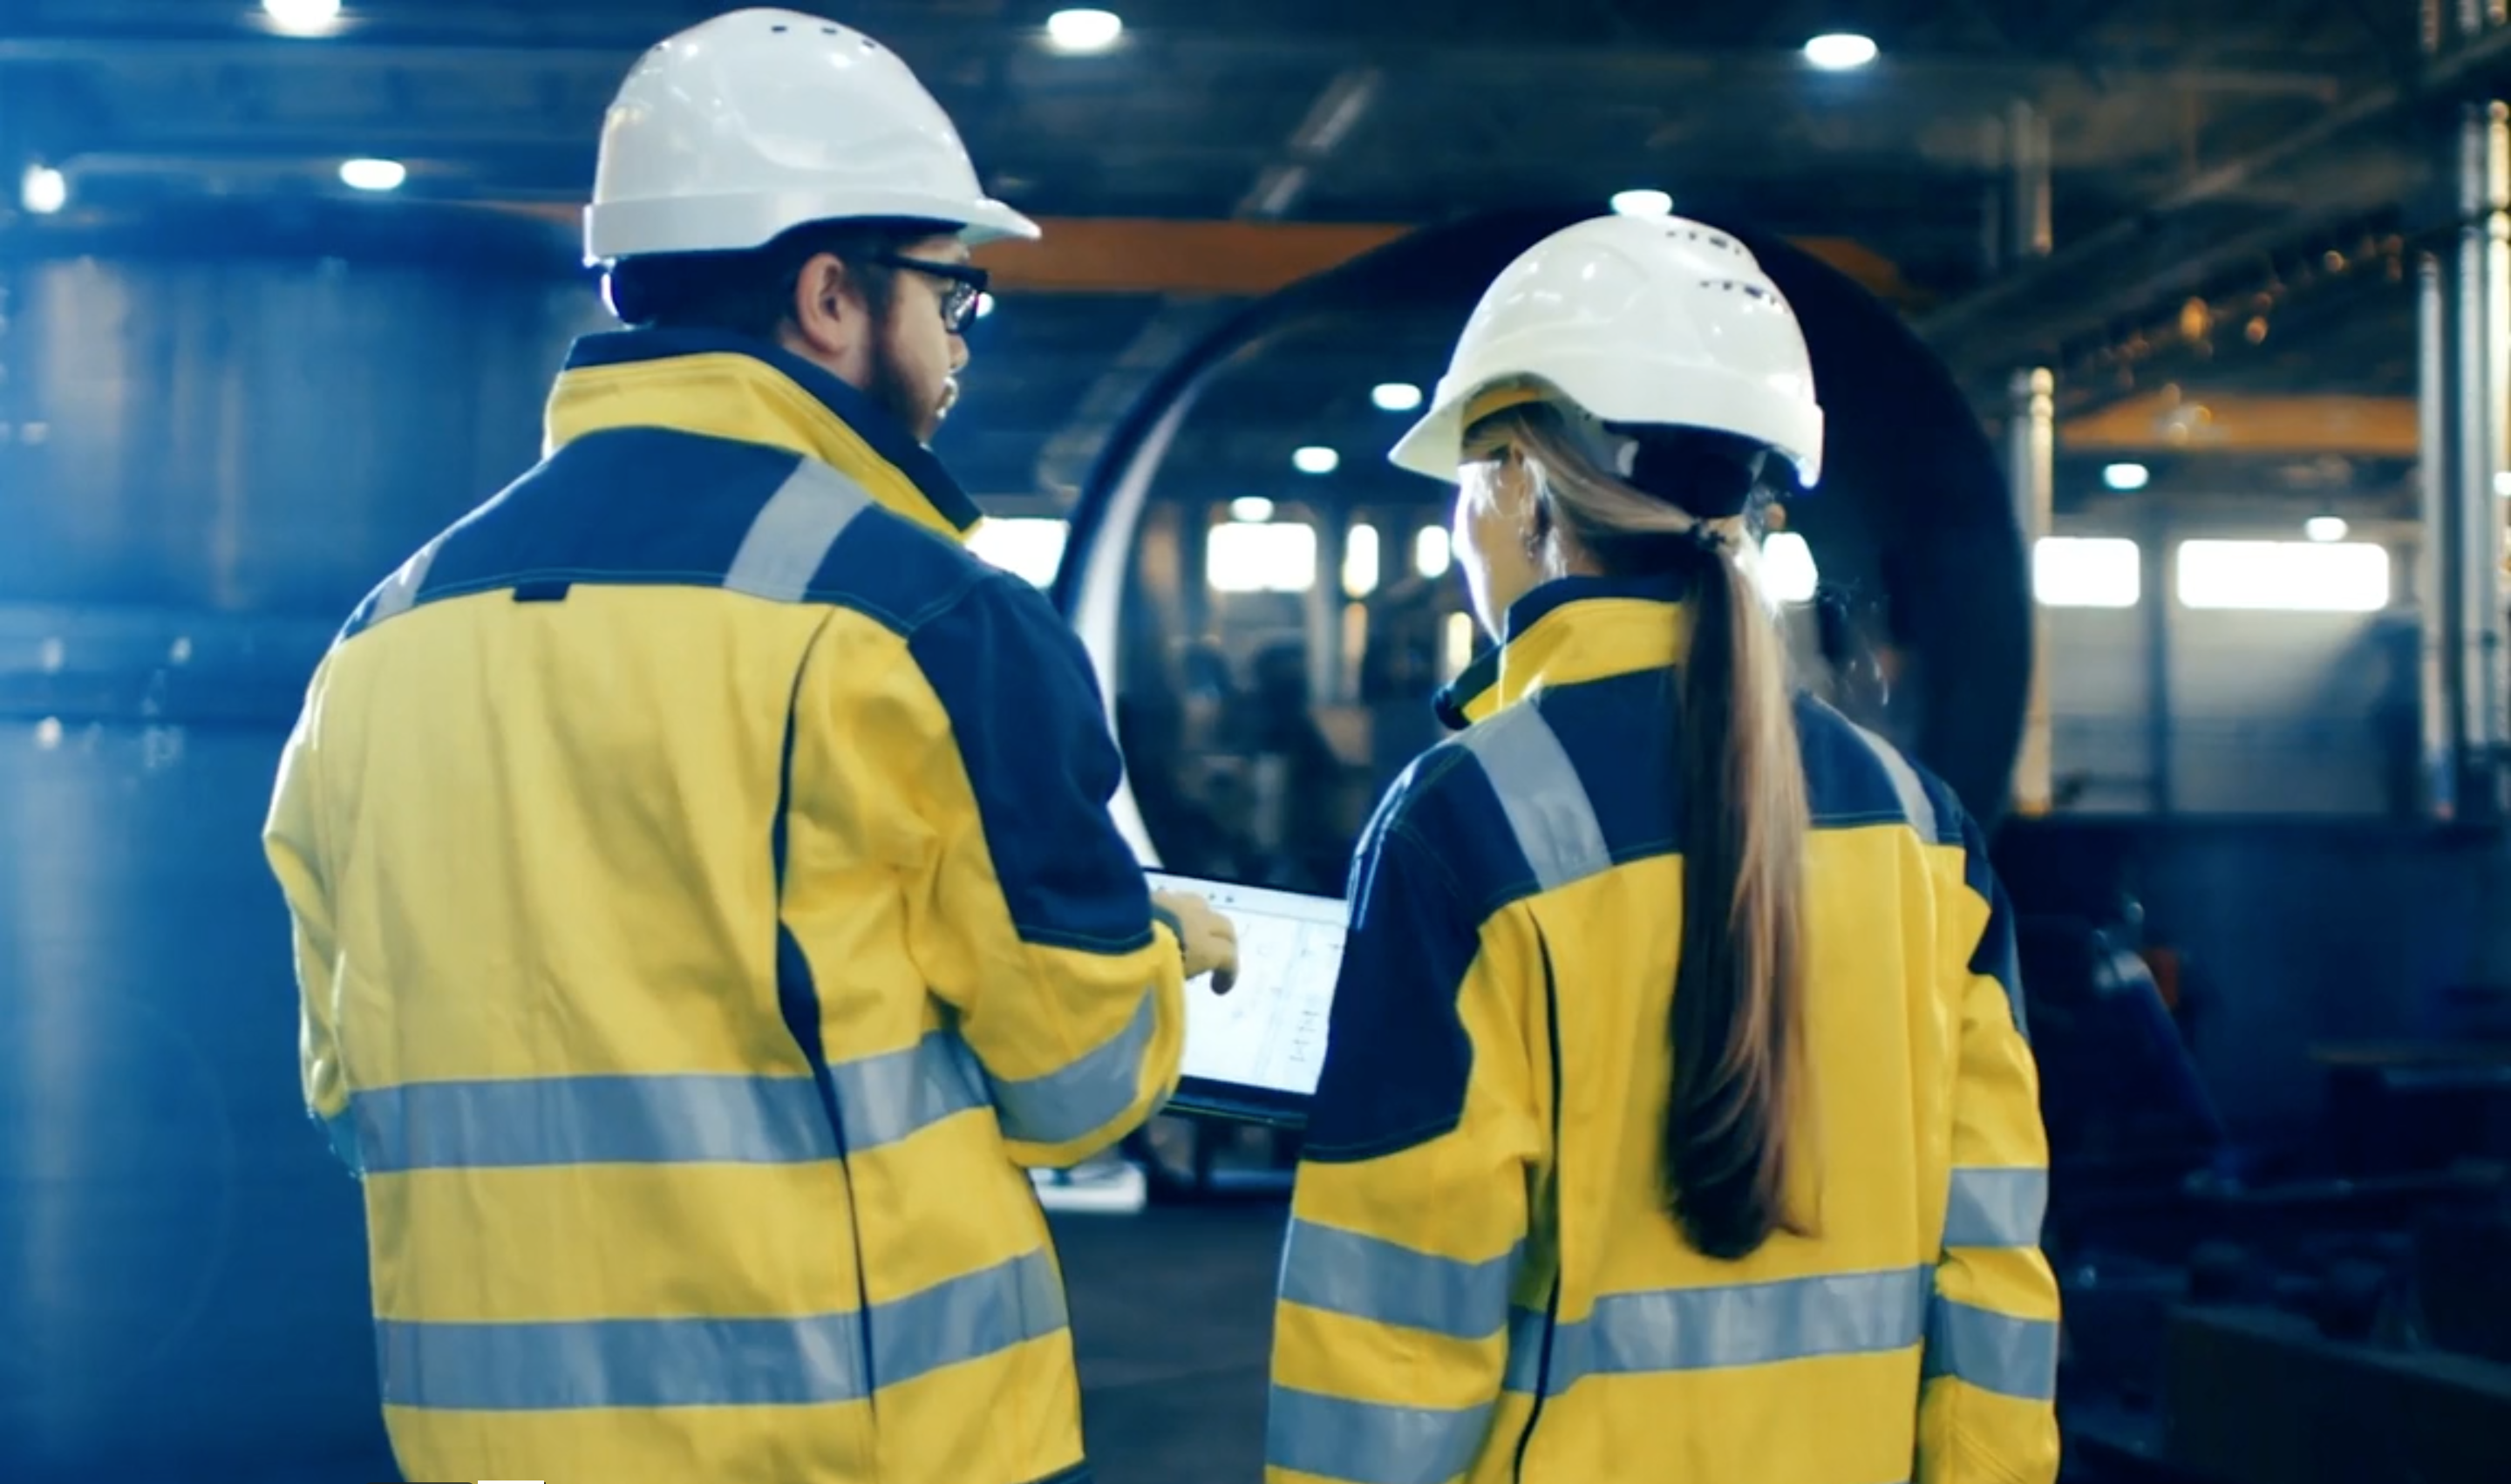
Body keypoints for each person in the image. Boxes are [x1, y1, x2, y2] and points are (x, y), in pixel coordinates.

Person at [261, 10, 1236, 1484]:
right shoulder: (926, 620)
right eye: (951, 294)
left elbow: (353, 1093)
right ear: (833, 293)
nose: (959, 344)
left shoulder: (379, 645)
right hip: (856, 1444)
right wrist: (1152, 950)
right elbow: (1081, 1079)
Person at [1264, 214, 2060, 1484]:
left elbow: (1395, 1333)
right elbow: (1994, 1270)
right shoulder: (1921, 830)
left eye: (1472, 472)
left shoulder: (1467, 823)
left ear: (1520, 483)